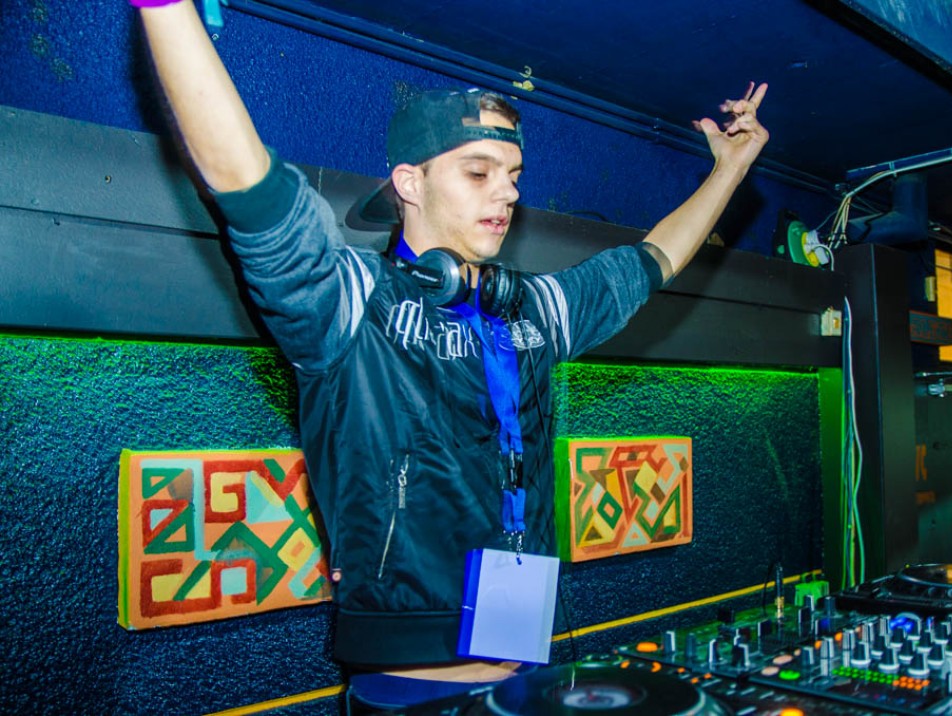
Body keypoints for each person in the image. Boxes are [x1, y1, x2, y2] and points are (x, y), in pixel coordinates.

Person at [132, 0, 769, 711]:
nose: (508, 191)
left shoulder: (531, 309)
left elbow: (650, 262)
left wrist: (731, 169)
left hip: (524, 672)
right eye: (478, 172)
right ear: (410, 182)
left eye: (514, 173)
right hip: (410, 686)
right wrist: (166, 10)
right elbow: (251, 190)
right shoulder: (355, 304)